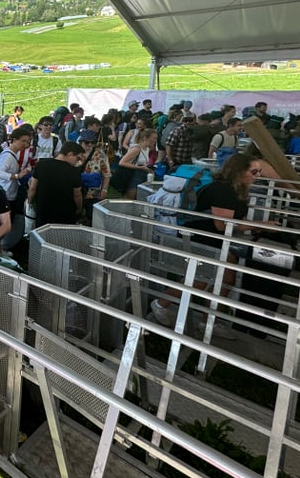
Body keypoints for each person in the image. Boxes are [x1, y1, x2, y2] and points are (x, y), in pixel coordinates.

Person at [150, 154, 273, 337]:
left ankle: (208, 321)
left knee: (225, 279)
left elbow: (233, 219)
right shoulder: (225, 191)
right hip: (203, 238)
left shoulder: (234, 189)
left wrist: (253, 226)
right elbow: (222, 225)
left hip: (217, 239)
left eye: (259, 172)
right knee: (200, 279)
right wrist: (259, 226)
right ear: (238, 171)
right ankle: (161, 304)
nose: (258, 175)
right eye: (254, 171)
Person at [27, 141, 85, 228]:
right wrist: (79, 208)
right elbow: (77, 194)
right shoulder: (74, 171)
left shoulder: (42, 164)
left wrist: (30, 201)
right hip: (65, 214)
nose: (78, 161)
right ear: (70, 154)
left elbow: (32, 188)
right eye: (77, 158)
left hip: (43, 212)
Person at [114, 128, 158, 200]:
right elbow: (122, 162)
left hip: (140, 175)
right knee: (130, 196)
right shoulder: (137, 149)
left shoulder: (147, 149)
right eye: (153, 138)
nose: (155, 140)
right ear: (145, 138)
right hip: (133, 175)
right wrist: (139, 167)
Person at [78, 129, 111, 220]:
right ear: (81, 142)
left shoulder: (100, 154)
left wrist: (104, 190)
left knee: (93, 217)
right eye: (87, 142)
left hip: (94, 193)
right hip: (77, 191)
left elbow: (106, 174)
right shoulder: (74, 153)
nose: (90, 145)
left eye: (93, 143)